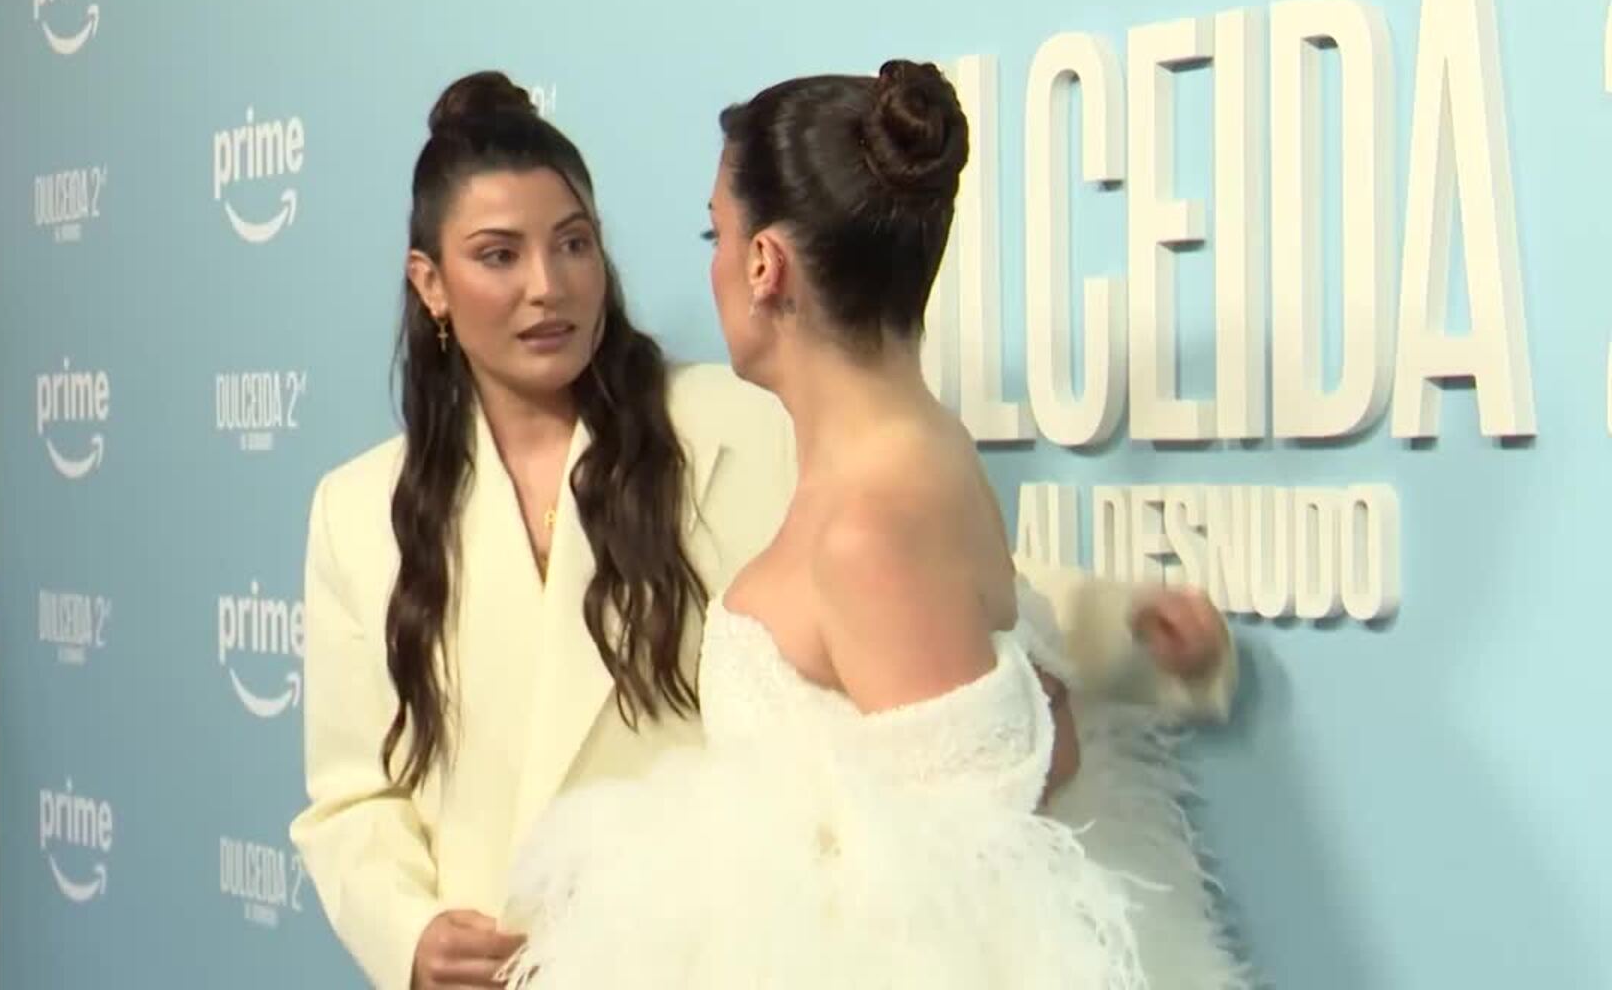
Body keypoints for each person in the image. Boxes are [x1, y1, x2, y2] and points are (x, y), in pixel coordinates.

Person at [290, 73, 1236, 990]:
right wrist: (410, 935)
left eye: (574, 243)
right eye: (499, 256)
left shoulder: (740, 421)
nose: (548, 286)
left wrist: (1132, 629)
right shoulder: (355, 512)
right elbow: (349, 794)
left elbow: (908, 576)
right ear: (431, 283)